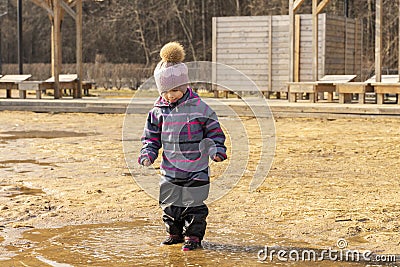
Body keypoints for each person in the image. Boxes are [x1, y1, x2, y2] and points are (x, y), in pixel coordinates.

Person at [138, 42, 227, 251]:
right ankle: (174, 232)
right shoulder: (157, 112)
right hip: (170, 169)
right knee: (170, 204)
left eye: (176, 90)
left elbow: (214, 130)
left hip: (196, 168)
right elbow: (151, 137)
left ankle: (193, 237)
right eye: (166, 91)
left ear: (186, 86)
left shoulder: (199, 107)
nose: (171, 95)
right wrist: (148, 152)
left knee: (194, 203)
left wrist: (216, 149)